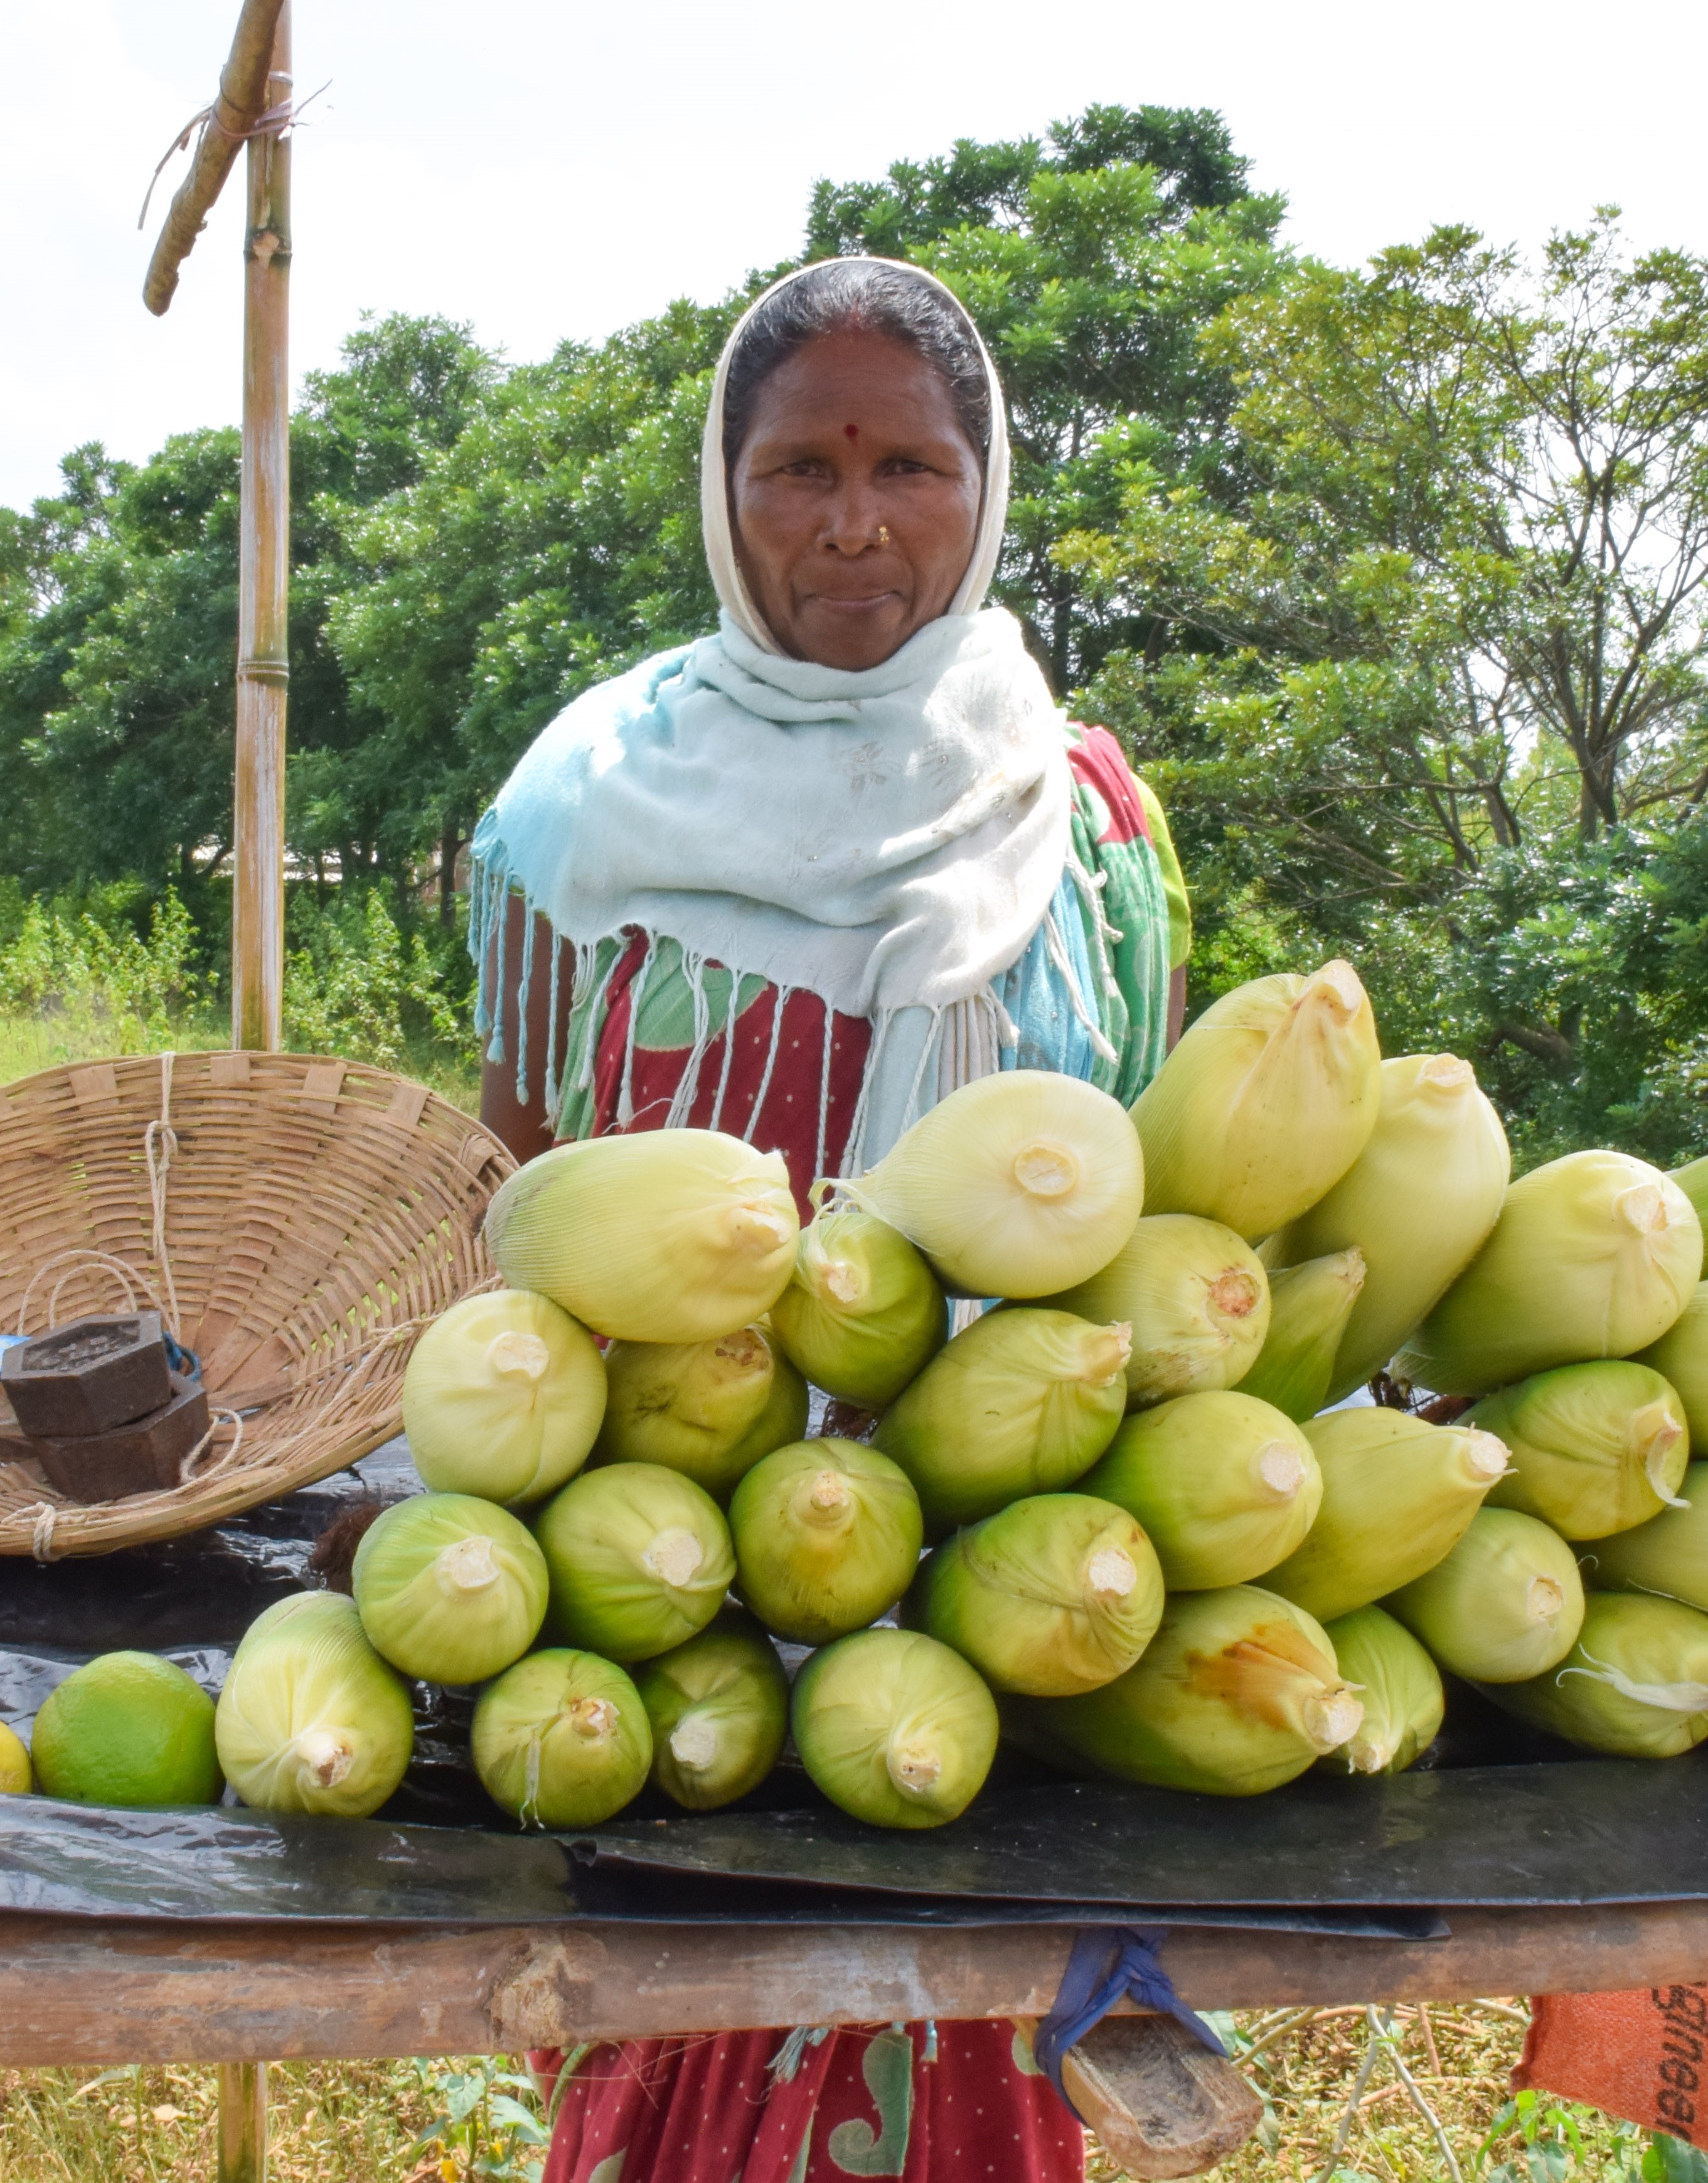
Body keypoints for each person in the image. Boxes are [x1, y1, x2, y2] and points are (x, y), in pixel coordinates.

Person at [467, 256, 1191, 2183]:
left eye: (910, 464)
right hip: (659, 1593)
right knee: (673, 2075)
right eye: (797, 467)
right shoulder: (572, 813)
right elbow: (522, 1184)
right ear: (723, 488)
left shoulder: (1091, 826)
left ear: (986, 483)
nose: (854, 525)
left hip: (998, 1591)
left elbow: (1145, 1180)